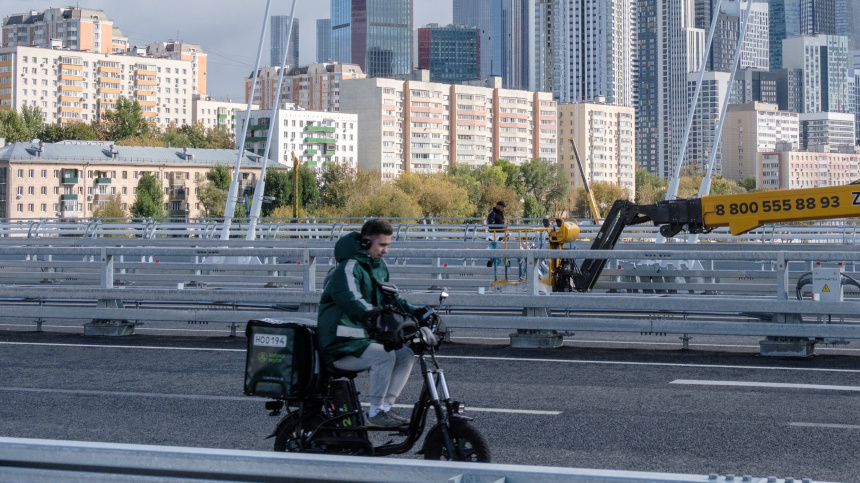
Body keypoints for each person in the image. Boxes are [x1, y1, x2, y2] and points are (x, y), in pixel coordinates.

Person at [317, 219, 420, 428]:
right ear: (365, 242)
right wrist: (375, 317)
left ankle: (385, 409)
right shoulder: (348, 267)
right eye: (382, 245)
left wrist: (417, 313)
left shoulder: (378, 267)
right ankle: (374, 413)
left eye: (388, 245)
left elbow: (392, 299)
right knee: (385, 355)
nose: (386, 250)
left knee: (406, 354)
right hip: (339, 345)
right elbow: (351, 300)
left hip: (361, 342)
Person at [486, 201, 507, 267]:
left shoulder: (500, 214)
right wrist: (501, 228)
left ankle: (495, 264)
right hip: (494, 236)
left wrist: (503, 228)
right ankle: (490, 265)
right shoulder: (492, 214)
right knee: (492, 251)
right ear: (497, 206)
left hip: (500, 235)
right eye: (501, 207)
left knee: (495, 251)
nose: (502, 209)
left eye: (503, 207)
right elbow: (491, 226)